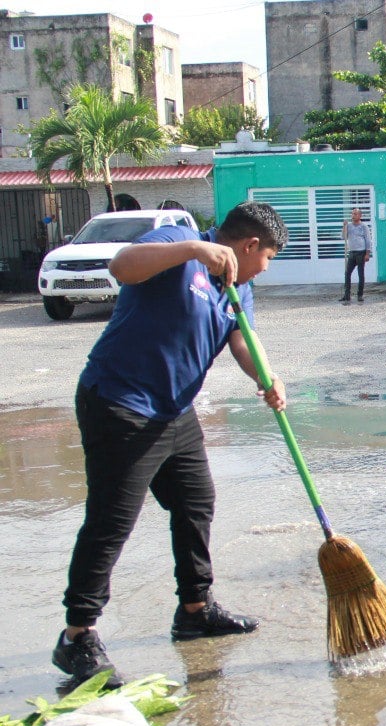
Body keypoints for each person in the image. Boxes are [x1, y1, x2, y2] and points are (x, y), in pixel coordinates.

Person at [52, 201, 289, 690]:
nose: (264, 270)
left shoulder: (238, 286)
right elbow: (121, 267)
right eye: (266, 258)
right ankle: (77, 635)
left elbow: (241, 338)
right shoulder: (174, 246)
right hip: (120, 402)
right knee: (112, 520)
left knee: (195, 503)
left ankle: (195, 610)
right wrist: (194, 249)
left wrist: (268, 376)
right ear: (248, 245)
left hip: (174, 410)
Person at [340, 207, 372, 303]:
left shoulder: (364, 226)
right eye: (352, 214)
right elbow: (343, 237)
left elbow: (368, 240)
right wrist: (344, 226)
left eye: (355, 214)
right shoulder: (349, 226)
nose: (353, 216)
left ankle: (360, 295)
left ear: (360, 215)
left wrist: (367, 253)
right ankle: (347, 295)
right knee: (347, 273)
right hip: (352, 252)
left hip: (361, 252)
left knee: (360, 274)